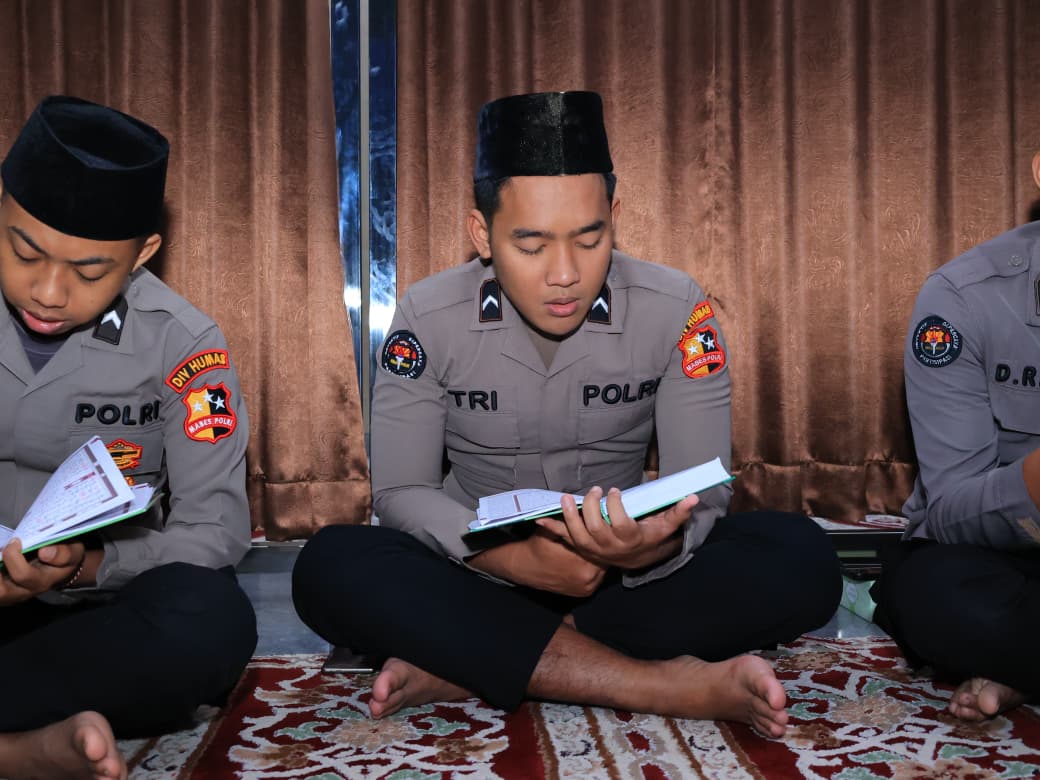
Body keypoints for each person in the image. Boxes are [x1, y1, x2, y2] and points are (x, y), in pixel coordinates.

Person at [293, 91, 840, 738]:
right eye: (531, 246)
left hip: (624, 580)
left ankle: (470, 661)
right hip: (477, 573)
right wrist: (507, 558)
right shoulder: (428, 316)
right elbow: (402, 491)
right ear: (482, 234)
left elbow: (704, 483)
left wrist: (650, 546)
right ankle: (657, 682)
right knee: (329, 567)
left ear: (614, 218)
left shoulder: (675, 307)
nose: (564, 274)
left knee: (802, 557)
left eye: (589, 239)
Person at [0, 96, 257, 779]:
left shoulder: (185, 344)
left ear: (142, 254)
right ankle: (23, 751)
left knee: (211, 620)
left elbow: (216, 529)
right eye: (24, 251)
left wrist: (86, 567)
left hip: (93, 617)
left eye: (89, 272)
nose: (49, 291)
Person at [872, 152, 1040, 723]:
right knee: (933, 596)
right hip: (1009, 556)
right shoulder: (965, 296)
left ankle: (1020, 670)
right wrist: (1033, 487)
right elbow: (947, 512)